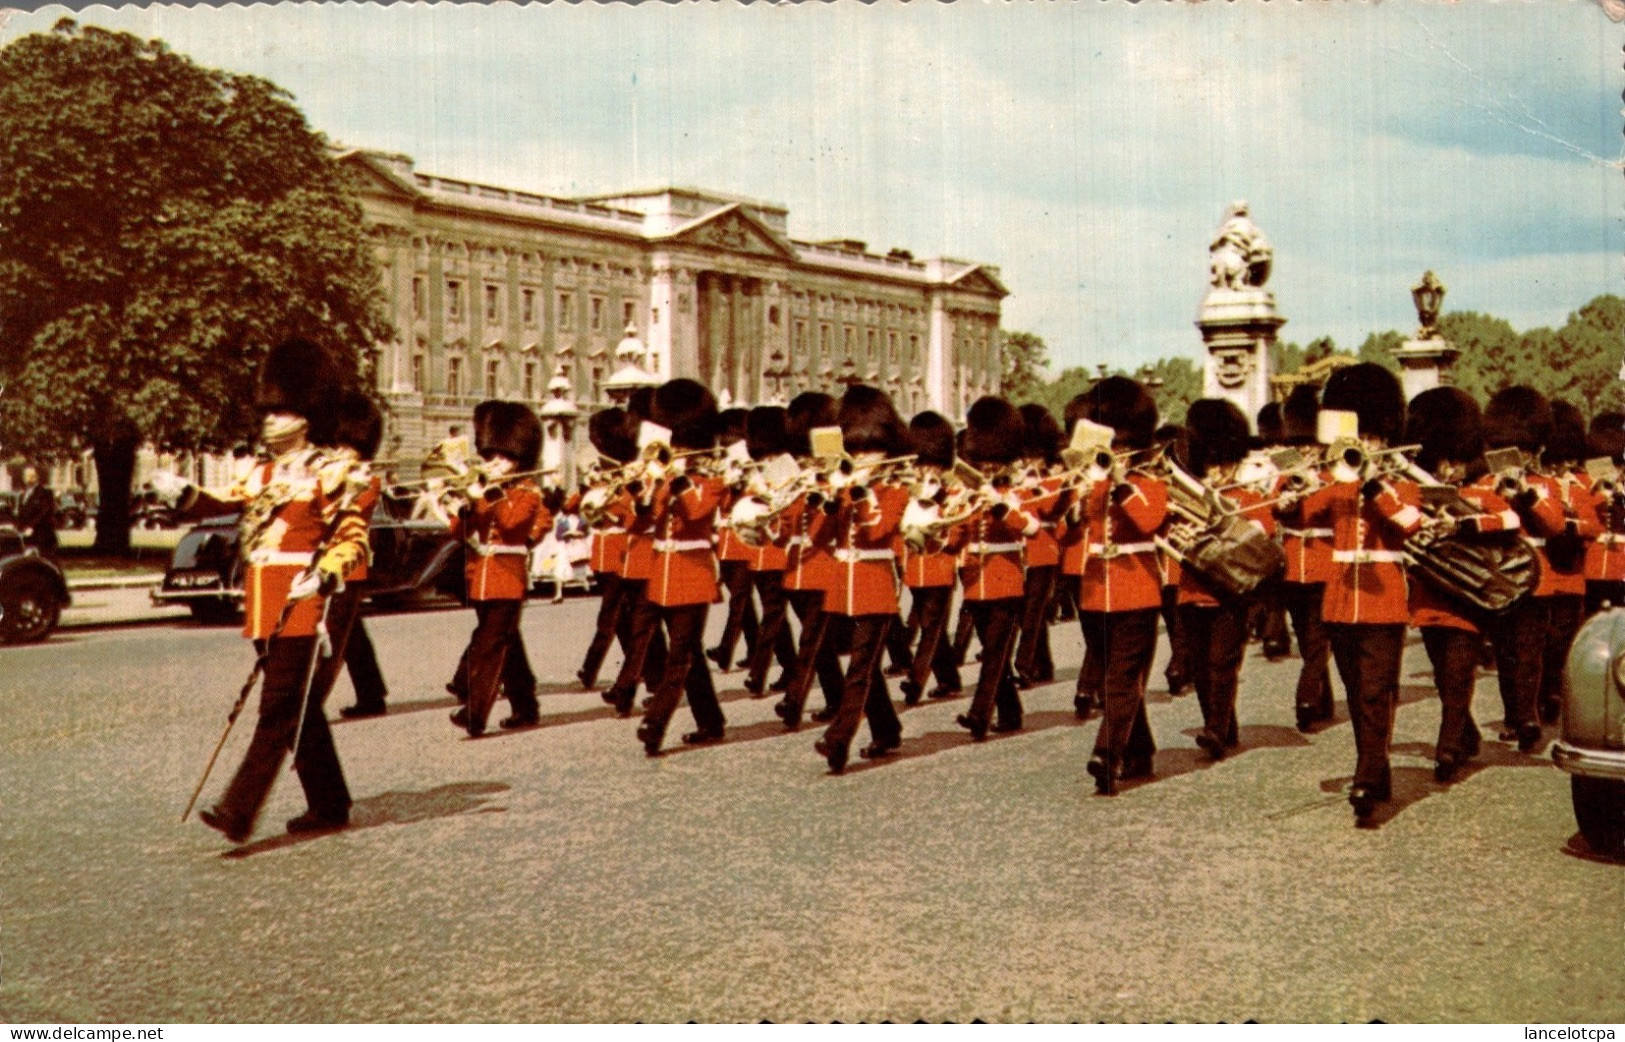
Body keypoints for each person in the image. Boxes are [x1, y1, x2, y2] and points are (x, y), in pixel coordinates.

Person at [156, 337, 371, 843]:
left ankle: (238, 809)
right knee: (300, 707)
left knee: (276, 708)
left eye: (282, 412)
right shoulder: (261, 473)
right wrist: (181, 492)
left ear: (307, 416)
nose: (270, 420)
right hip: (262, 601)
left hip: (302, 600)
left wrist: (326, 572)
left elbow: (352, 536)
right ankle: (331, 802)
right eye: (268, 411)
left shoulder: (335, 470)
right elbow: (218, 504)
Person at [1289, 364, 1424, 821]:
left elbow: (1409, 523)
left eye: (1371, 437)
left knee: (1373, 693)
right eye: (1358, 437)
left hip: (1384, 600)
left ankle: (1366, 778)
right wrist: (1298, 487)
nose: (1363, 445)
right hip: (1340, 601)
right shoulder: (1338, 487)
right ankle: (1376, 765)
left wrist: (1373, 485)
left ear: (1385, 439)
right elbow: (1299, 515)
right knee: (1356, 692)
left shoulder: (1403, 483)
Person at [1404, 387, 1519, 782]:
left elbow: (1509, 521)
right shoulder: (1417, 495)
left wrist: (1464, 523)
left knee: (1457, 676)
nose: (1448, 470)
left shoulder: (1479, 493)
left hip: (1468, 598)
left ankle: (1447, 749)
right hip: (1430, 600)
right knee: (1443, 676)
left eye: (1454, 462)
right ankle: (1465, 733)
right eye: (1442, 462)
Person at [1064, 377, 1166, 794]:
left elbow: (1148, 520)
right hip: (1094, 589)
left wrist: (1120, 482)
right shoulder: (1091, 484)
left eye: (1121, 447)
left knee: (1122, 679)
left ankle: (1108, 753)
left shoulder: (1150, 484)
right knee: (1113, 677)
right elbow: (1067, 529)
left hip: (1136, 588)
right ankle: (1140, 748)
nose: (1114, 455)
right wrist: (1077, 498)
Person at [810, 385, 910, 773]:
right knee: (861, 666)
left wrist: (860, 493)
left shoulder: (894, 491)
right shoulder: (844, 489)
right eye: (857, 449)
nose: (863, 457)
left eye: (871, 449)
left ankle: (838, 740)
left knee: (860, 669)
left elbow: (877, 531)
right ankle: (887, 729)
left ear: (888, 449)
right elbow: (819, 537)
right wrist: (827, 499)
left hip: (874, 582)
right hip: (842, 583)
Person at [1176, 399, 1275, 759]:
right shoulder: (1190, 498)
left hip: (1231, 592)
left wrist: (1231, 522)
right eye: (1213, 465)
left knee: (1222, 662)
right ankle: (1223, 724)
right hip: (1193, 589)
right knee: (1201, 667)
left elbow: (1264, 531)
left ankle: (1215, 730)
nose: (1220, 472)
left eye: (1225, 464)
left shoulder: (1248, 498)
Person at [634, 379, 728, 755]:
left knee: (681, 655)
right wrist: (645, 489)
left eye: (684, 446)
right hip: (663, 573)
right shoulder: (663, 480)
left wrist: (678, 479)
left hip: (693, 573)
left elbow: (697, 513)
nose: (678, 452)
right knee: (688, 655)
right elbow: (643, 521)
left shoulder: (711, 481)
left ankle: (654, 724)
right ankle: (712, 721)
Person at [446, 401, 549, 736]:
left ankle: (475, 713)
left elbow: (509, 523)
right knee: (507, 644)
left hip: (507, 576)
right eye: (491, 458)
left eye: (503, 458)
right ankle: (526, 706)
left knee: (491, 645)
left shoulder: (528, 493)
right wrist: (462, 508)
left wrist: (486, 493)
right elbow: (460, 532)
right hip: (480, 576)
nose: (495, 464)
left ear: (519, 458)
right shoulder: (490, 491)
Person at [944, 397, 1041, 740]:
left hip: (1005, 576)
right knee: (995, 654)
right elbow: (957, 537)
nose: (987, 470)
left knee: (994, 654)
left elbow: (1029, 528)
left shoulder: (1014, 492)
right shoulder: (970, 492)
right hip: (975, 577)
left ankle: (979, 715)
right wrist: (947, 525)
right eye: (982, 464)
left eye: (992, 465)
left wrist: (999, 506)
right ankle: (1011, 713)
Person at [317, 390, 391, 721]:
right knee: (352, 636)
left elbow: (343, 512)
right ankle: (372, 694)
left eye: (343, 447)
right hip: (326, 563)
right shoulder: (331, 473)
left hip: (349, 566)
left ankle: (311, 702)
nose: (337, 452)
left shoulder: (367, 481)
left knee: (332, 637)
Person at [896, 411, 964, 705]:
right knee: (930, 627)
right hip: (915, 567)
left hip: (938, 565)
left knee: (931, 627)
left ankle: (915, 680)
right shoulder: (908, 493)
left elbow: (959, 531)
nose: (925, 470)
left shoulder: (954, 493)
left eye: (931, 464)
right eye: (921, 464)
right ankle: (949, 679)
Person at [16, 465, 57, 556]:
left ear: (36, 477)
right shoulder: (22, 495)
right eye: (26, 475)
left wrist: (31, 527)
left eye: (32, 475)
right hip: (26, 537)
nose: (29, 478)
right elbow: (21, 515)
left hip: (42, 537)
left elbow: (44, 512)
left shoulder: (45, 493)